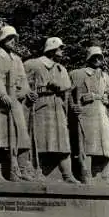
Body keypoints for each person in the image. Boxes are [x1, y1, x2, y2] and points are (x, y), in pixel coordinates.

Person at [0, 25, 38, 181]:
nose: (13, 41)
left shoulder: (17, 59)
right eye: (10, 38)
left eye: (15, 38)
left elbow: (23, 81)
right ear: (2, 38)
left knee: (22, 135)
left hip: (14, 101)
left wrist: (26, 93)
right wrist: (2, 93)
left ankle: (22, 169)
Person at [24, 37, 79, 184]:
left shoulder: (62, 69)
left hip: (58, 107)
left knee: (62, 141)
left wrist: (59, 86)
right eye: (60, 48)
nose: (62, 51)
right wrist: (29, 93)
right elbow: (22, 83)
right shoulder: (33, 64)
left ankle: (67, 173)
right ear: (52, 48)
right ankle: (37, 170)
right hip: (41, 104)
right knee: (40, 139)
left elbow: (67, 87)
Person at [69, 46, 109, 185]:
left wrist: (107, 96)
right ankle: (86, 174)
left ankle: (105, 176)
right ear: (88, 58)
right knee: (88, 144)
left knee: (105, 145)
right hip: (86, 113)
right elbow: (67, 93)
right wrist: (73, 106)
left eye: (99, 57)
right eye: (94, 57)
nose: (97, 60)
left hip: (102, 112)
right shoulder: (78, 74)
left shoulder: (104, 75)